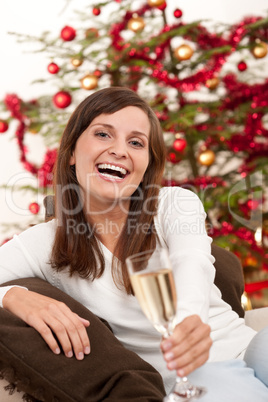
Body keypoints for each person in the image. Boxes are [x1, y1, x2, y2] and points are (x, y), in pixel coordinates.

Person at [0, 87, 267, 401]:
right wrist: (12, 296)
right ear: (72, 152)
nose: (119, 150)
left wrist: (188, 320)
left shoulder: (173, 204)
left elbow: (191, 260)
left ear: (145, 166)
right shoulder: (44, 243)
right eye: (103, 134)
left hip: (250, 348)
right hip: (194, 382)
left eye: (136, 142)